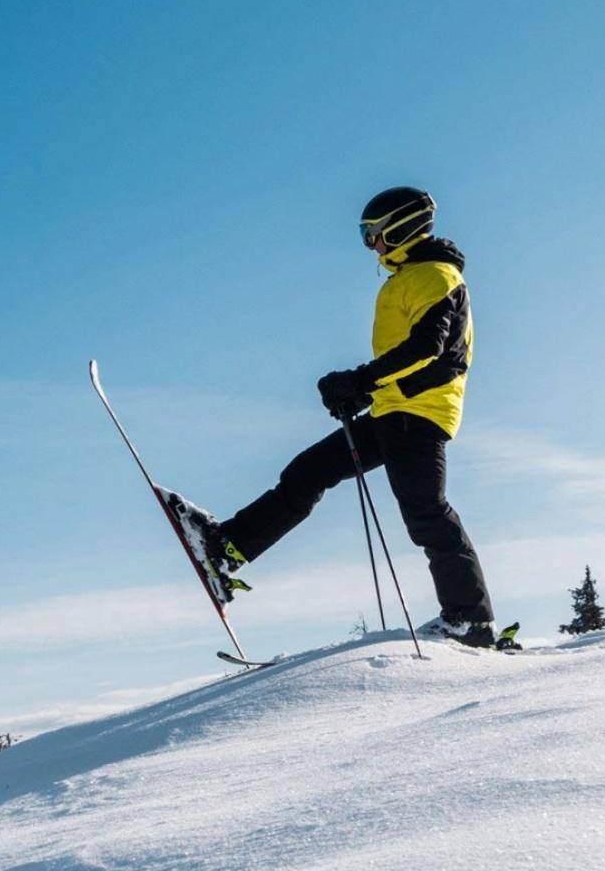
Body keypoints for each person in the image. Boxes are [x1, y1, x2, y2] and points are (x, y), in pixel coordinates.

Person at [196, 186, 498, 647]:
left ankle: (470, 621)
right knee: (309, 471)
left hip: (417, 414)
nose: (370, 244)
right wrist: (364, 390)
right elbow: (413, 354)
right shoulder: (408, 277)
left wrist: (361, 380)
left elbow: (428, 348)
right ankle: (227, 549)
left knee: (426, 513)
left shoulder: (434, 276)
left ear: (400, 228)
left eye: (373, 233)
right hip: (393, 410)